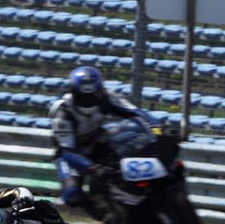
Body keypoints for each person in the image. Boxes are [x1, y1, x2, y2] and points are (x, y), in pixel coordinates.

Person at [48, 64, 153, 210]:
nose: (89, 99)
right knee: (72, 195)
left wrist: (157, 128)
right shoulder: (63, 112)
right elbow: (67, 151)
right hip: (72, 152)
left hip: (98, 140)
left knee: (132, 134)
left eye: (93, 94)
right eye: (84, 96)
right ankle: (93, 213)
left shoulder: (107, 96)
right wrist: (93, 168)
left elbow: (136, 112)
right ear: (74, 91)